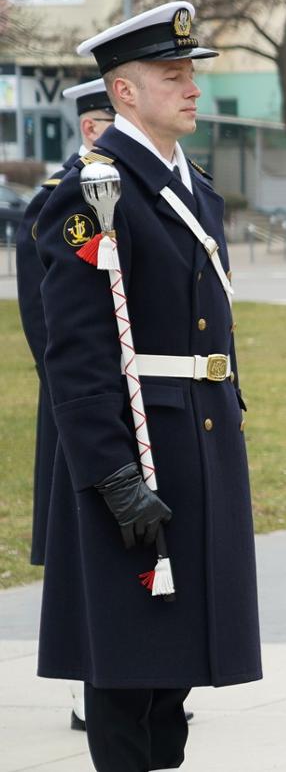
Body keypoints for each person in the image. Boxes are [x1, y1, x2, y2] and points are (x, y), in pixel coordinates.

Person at [37, 2, 260, 770]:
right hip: (136, 450)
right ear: (124, 93)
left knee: (176, 667)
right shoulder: (95, 191)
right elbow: (78, 351)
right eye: (173, 74)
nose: (191, 86)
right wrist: (111, 474)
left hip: (197, 440)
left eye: (191, 71)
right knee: (129, 666)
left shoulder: (189, 187)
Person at [18, 77, 115, 733]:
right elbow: (43, 318)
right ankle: (89, 684)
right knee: (86, 543)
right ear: (89, 128)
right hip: (80, 397)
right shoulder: (61, 201)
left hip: (138, 394)